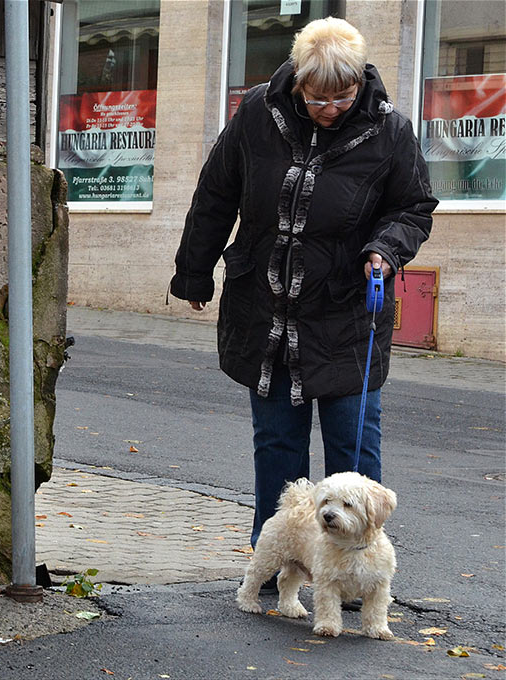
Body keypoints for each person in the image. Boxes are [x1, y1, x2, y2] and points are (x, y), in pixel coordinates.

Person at [169, 17, 436, 556]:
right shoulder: (256, 114)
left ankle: (356, 569)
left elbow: (413, 207)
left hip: (346, 314)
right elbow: (216, 193)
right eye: (318, 98)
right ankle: (278, 558)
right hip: (265, 310)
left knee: (353, 448)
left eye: (343, 96)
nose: (331, 108)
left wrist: (384, 247)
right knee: (277, 444)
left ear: (360, 82)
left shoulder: (390, 131)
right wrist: (194, 272)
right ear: (297, 83)